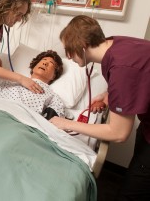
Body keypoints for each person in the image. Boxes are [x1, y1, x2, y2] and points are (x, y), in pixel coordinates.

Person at [50, 14, 150, 200]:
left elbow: (119, 133)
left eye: (69, 50)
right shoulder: (116, 44)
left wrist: (66, 124)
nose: (68, 57)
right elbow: (139, 74)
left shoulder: (121, 67)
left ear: (82, 46)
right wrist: (108, 95)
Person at [0, 50, 65, 119]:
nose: (45, 63)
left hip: (20, 121)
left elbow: (53, 122)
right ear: (34, 67)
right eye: (43, 60)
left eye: (51, 63)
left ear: (54, 75)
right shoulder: (11, 81)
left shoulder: (53, 97)